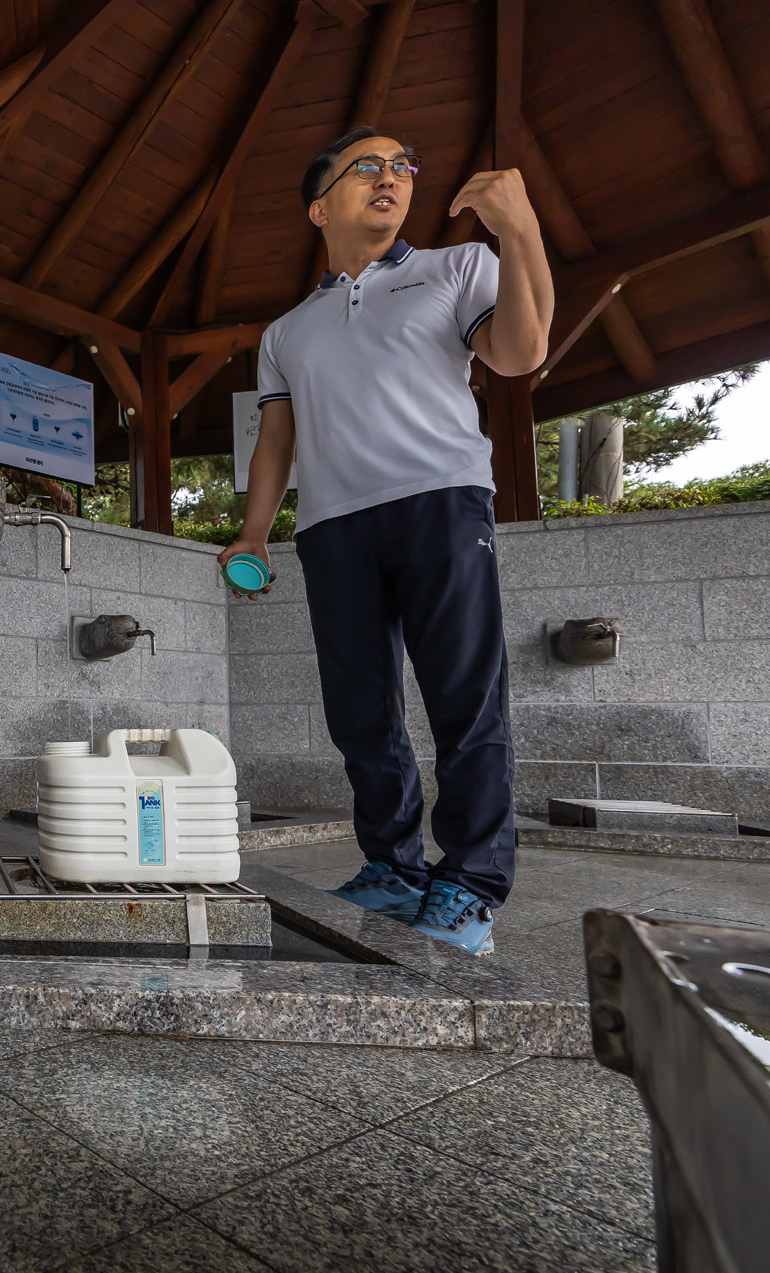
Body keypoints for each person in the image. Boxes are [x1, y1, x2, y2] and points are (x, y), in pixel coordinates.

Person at [218, 127, 553, 955]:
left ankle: (471, 884)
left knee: (464, 700)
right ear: (319, 204)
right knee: (360, 713)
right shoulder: (287, 331)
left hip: (440, 503)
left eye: (405, 165)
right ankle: (393, 868)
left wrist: (519, 230)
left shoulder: (458, 268)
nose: (392, 177)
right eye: (366, 165)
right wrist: (253, 532)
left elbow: (520, 352)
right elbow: (276, 441)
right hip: (332, 526)